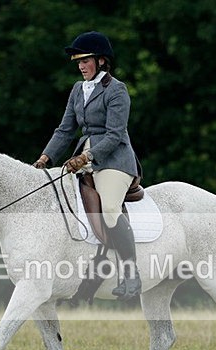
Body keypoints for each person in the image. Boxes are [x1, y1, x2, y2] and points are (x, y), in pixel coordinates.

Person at [33, 31, 142, 301]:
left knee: (109, 208)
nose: (80, 66)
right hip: (84, 158)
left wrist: (86, 157)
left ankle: (131, 273)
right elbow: (65, 129)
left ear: (101, 61)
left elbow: (115, 135)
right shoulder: (77, 90)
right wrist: (45, 158)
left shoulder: (116, 89)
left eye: (85, 60)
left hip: (114, 160)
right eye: (78, 61)